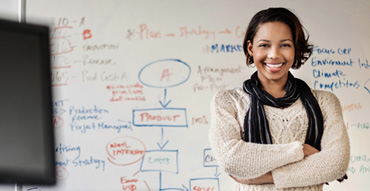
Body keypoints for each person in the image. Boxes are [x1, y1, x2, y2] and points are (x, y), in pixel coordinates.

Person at [208, 7, 350, 191]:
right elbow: (232, 160)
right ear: (251, 48)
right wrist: (300, 150)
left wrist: (263, 177)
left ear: (296, 48)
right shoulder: (228, 102)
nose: (274, 54)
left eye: (285, 45)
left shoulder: (325, 102)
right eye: (264, 45)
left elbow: (336, 164)